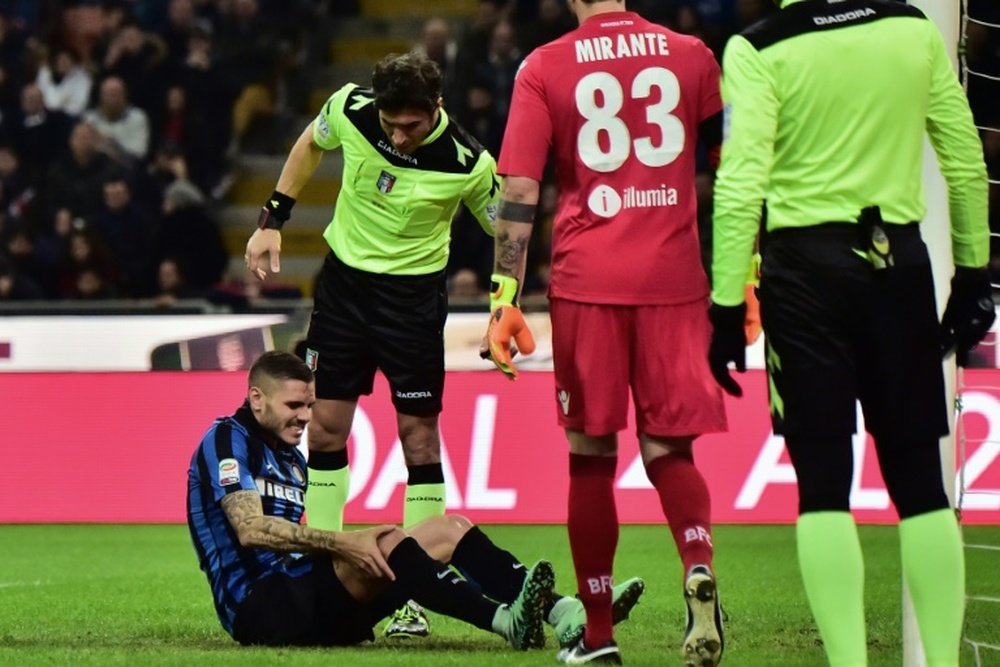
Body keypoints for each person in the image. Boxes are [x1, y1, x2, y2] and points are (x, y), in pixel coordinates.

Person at [708, 2, 993, 666]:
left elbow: (740, 181)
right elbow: (963, 154)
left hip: (802, 275)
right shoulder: (911, 28)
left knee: (824, 484)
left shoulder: (759, 48)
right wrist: (974, 272)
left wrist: (726, 305)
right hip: (899, 264)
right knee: (922, 483)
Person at [485, 1, 727, 664]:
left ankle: (598, 633)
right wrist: (745, 274)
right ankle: (697, 561)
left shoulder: (543, 66)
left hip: (587, 281)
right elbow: (733, 171)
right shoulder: (694, 56)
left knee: (590, 457)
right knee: (670, 451)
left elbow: (520, 188)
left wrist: (504, 293)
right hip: (675, 280)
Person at [243, 51, 501, 638]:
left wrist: (505, 300)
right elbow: (310, 141)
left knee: (417, 436)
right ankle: (322, 563)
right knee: (326, 427)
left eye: (410, 125)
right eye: (391, 124)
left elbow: (507, 223)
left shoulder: (467, 161)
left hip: (411, 306)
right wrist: (272, 219)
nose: (398, 136)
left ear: (436, 108)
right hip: (343, 293)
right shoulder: (353, 109)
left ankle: (414, 591)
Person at [186, 351, 645, 649]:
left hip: (304, 599)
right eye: (294, 407)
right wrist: (344, 543)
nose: (306, 417)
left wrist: (345, 547)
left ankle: (565, 612)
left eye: (309, 405)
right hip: (258, 609)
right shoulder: (228, 440)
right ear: (257, 398)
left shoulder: (288, 456)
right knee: (384, 539)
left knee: (449, 528)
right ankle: (505, 622)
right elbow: (250, 530)